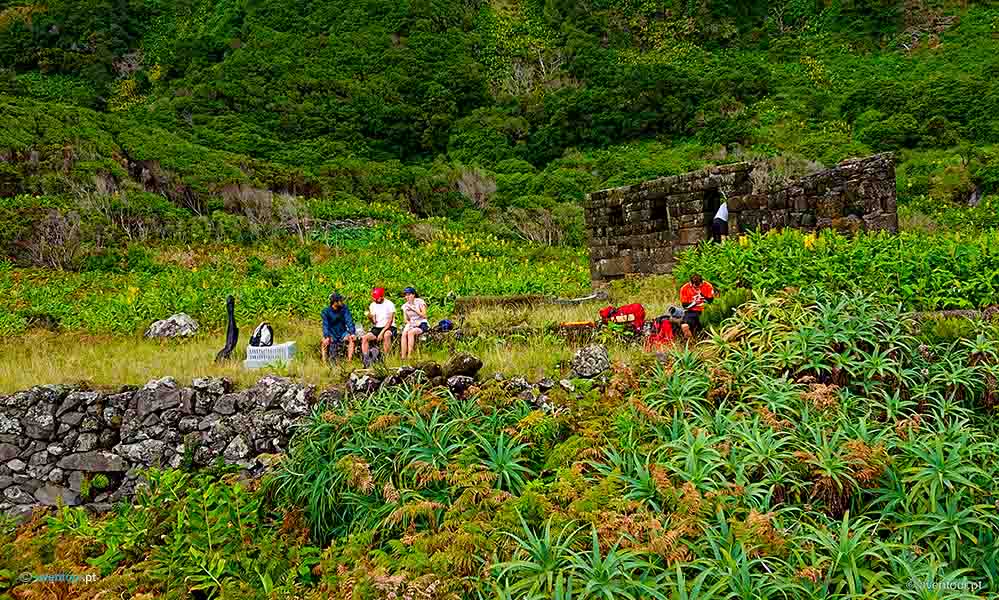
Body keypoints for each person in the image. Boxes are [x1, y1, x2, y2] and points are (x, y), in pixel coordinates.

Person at [321, 292, 356, 362]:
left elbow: (349, 321)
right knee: (324, 341)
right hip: (331, 333)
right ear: (335, 302)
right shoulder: (326, 311)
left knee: (351, 339)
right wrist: (327, 336)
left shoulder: (344, 309)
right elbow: (325, 325)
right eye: (340, 300)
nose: (342, 302)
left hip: (342, 333)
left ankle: (349, 361)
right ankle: (324, 362)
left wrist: (352, 333)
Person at [362, 287, 396, 356]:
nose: (375, 300)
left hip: (389, 327)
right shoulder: (372, 305)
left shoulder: (389, 304)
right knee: (365, 338)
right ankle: (366, 357)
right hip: (377, 327)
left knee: (386, 335)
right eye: (374, 298)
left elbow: (390, 321)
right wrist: (370, 317)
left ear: (382, 297)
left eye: (377, 298)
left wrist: (381, 333)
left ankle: (386, 356)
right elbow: (374, 322)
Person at [679, 273, 714, 339]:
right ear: (691, 284)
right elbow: (685, 305)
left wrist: (703, 296)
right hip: (692, 311)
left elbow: (711, 301)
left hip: (706, 310)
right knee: (684, 326)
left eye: (699, 285)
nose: (698, 288)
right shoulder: (685, 288)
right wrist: (695, 303)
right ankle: (691, 342)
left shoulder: (707, 286)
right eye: (696, 286)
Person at [400, 287, 429, 360]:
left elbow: (424, 315)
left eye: (409, 295)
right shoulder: (405, 306)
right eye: (406, 295)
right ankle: (403, 356)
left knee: (411, 332)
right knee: (404, 334)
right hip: (412, 323)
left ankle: (410, 355)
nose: (407, 297)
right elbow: (405, 319)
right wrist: (410, 324)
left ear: (413, 295)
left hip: (421, 323)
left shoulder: (420, 302)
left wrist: (414, 310)